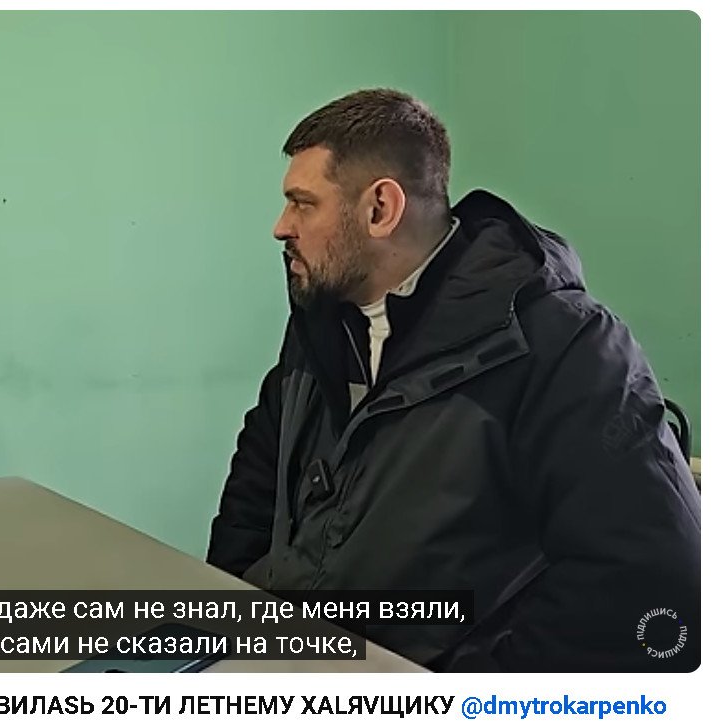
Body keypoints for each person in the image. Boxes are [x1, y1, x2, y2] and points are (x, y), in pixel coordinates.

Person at [206, 89, 700, 672]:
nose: (281, 226)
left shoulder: (563, 345)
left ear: (380, 209)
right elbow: (255, 492)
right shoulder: (321, 323)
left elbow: (655, 583)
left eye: (302, 204)